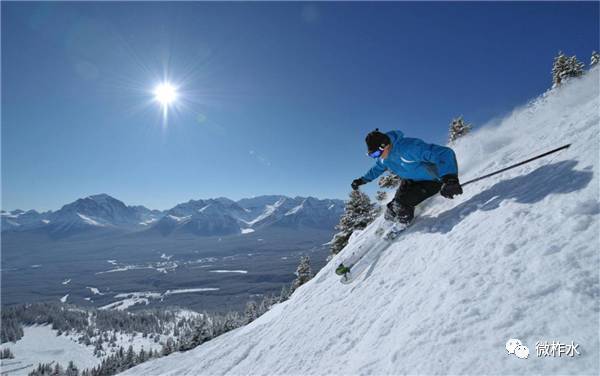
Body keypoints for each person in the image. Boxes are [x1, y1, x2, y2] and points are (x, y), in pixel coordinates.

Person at [351, 129, 463, 224]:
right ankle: (388, 228)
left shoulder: (409, 147)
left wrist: (450, 179)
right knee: (392, 209)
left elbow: (444, 153)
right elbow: (376, 169)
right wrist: (362, 180)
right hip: (411, 181)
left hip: (432, 180)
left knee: (401, 206)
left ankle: (402, 226)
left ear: (385, 145)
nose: (376, 157)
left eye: (375, 154)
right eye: (372, 155)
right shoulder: (383, 158)